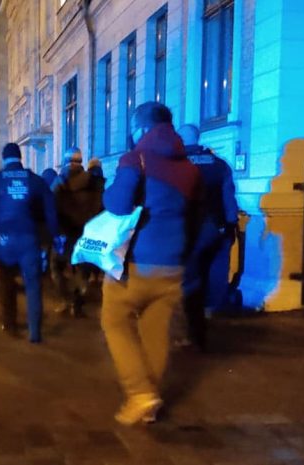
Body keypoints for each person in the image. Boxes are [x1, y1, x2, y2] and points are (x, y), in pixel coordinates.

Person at [101, 102, 200, 425]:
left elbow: (117, 204)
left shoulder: (136, 158)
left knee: (114, 320)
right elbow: (196, 216)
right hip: (173, 263)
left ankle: (140, 392)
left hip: (137, 262)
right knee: (155, 331)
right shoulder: (189, 167)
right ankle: (150, 403)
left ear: (142, 129)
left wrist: (110, 190)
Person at [0, 143, 62, 343]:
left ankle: (10, 324)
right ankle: (34, 331)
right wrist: (55, 236)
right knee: (33, 284)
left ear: (4, 159)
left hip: (4, 241)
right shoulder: (35, 180)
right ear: (20, 157)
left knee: (6, 283)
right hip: (29, 239)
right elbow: (50, 211)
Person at [178, 124, 238, 350]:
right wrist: (230, 224)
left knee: (188, 279)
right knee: (211, 273)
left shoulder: (176, 164)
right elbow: (228, 196)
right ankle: (206, 316)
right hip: (215, 228)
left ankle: (192, 331)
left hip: (186, 229)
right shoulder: (219, 164)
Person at [51, 147, 104, 317]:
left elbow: (51, 207)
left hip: (64, 233)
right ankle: (78, 300)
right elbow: (100, 207)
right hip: (86, 233)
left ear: (66, 161)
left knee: (56, 267)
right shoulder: (93, 182)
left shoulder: (59, 182)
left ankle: (65, 299)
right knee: (82, 268)